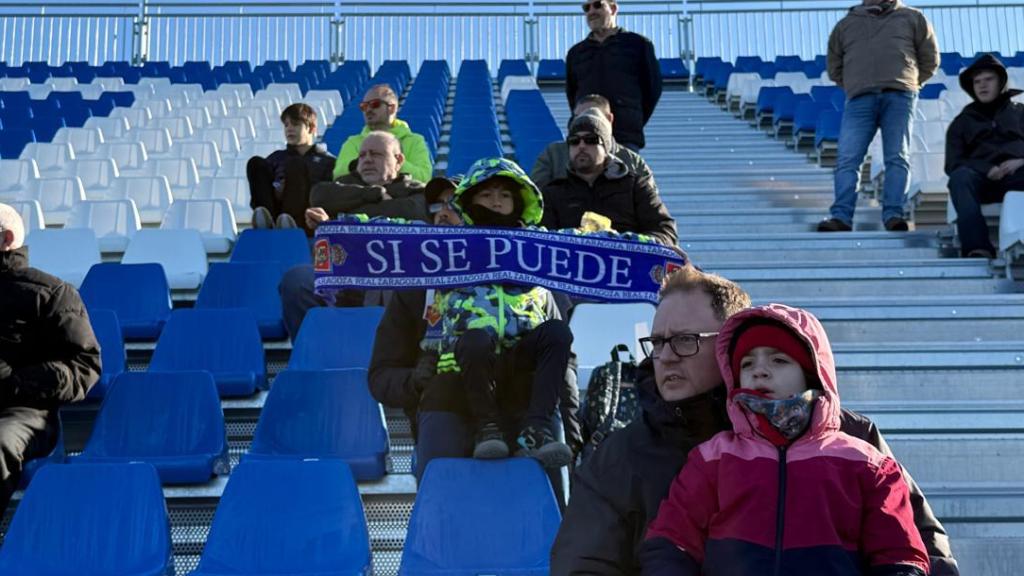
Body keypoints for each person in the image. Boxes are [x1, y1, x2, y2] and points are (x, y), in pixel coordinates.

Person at [549, 265, 959, 576]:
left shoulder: (852, 438)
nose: (666, 356)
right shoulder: (620, 456)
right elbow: (583, 566)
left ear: (728, 345)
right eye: (657, 342)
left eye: (685, 340)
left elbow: (919, 549)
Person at [640, 304, 929, 575]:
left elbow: (898, 553)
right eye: (747, 363)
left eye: (779, 360)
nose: (760, 370)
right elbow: (672, 540)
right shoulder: (713, 458)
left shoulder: (866, 464)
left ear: (811, 375)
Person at [430, 158, 578, 468]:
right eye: (486, 194)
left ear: (520, 202)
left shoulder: (539, 252)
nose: (496, 202)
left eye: (505, 195)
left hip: (522, 365)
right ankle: (487, 428)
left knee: (558, 332)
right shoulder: (449, 249)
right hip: (469, 365)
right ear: (470, 200)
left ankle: (537, 429)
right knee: (474, 340)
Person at [279, 131, 428, 341]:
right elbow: (319, 195)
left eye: (376, 154)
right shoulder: (342, 185)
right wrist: (375, 194)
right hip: (343, 274)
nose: (366, 160)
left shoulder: (417, 192)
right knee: (298, 280)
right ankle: (315, 354)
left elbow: (410, 211)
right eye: (362, 155)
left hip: (396, 275)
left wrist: (341, 218)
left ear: (399, 160)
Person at [0, 203, 101, 511]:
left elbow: (85, 368)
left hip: (24, 413)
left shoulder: (53, 293)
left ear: (5, 239)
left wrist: (14, 381)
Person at [818, 0, 939, 233]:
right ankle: (841, 217)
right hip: (860, 98)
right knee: (848, 159)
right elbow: (834, 66)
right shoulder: (846, 25)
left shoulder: (913, 17)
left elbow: (930, 59)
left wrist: (909, 82)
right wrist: (856, 84)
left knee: (897, 156)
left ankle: (894, 214)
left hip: (900, 96)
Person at [541, 110, 677, 247]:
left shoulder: (635, 186)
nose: (581, 146)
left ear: (606, 148)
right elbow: (542, 240)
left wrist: (637, 243)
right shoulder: (552, 193)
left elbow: (665, 230)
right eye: (574, 141)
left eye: (591, 140)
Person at [945, 54, 1024, 259]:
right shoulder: (961, 122)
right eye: (977, 81)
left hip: (1018, 175)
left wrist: (1020, 161)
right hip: (983, 182)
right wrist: (985, 169)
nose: (982, 85)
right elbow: (953, 161)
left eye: (988, 79)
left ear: (1001, 82)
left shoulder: (1021, 113)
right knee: (960, 178)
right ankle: (977, 248)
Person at [566, 0, 662, 151]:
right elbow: (572, 95)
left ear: (613, 8)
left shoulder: (638, 44)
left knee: (624, 174)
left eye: (597, 5)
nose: (591, 11)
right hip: (586, 136)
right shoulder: (576, 53)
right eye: (586, 8)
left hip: (624, 135)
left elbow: (653, 89)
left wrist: (632, 118)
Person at [531, 93, 655, 189]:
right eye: (577, 117)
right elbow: (537, 200)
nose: (584, 122)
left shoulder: (634, 163)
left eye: (593, 116)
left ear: (609, 119)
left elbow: (651, 211)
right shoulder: (553, 155)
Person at [247, 103, 335, 234]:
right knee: (256, 163)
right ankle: (267, 221)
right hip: (278, 213)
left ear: (311, 128)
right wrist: (278, 188)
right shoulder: (276, 158)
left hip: (308, 219)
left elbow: (328, 195)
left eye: (295, 124)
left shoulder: (328, 161)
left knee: (296, 165)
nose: (289, 129)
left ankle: (289, 223)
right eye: (286, 125)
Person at [332, 84, 433, 183]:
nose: (368, 109)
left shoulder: (415, 141)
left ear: (392, 108)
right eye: (364, 106)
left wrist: (390, 160)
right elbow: (338, 174)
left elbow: (424, 177)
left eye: (375, 104)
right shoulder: (353, 142)